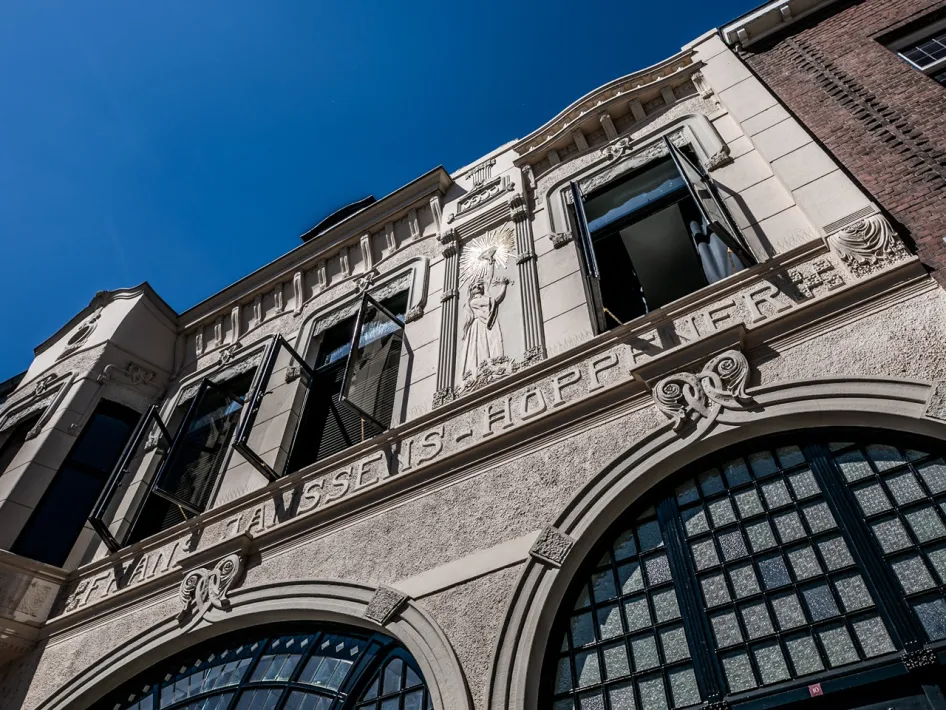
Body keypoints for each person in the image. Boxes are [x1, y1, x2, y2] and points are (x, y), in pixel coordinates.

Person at [461, 277, 509, 378]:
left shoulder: (484, 298)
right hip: (479, 326)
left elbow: (494, 301)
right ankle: (482, 372)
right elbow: (495, 301)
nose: (477, 286)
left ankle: (493, 367)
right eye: (474, 286)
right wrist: (503, 286)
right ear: (471, 291)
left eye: (479, 284)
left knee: (491, 344)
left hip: (486, 323)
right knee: (481, 347)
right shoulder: (474, 302)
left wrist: (503, 285)